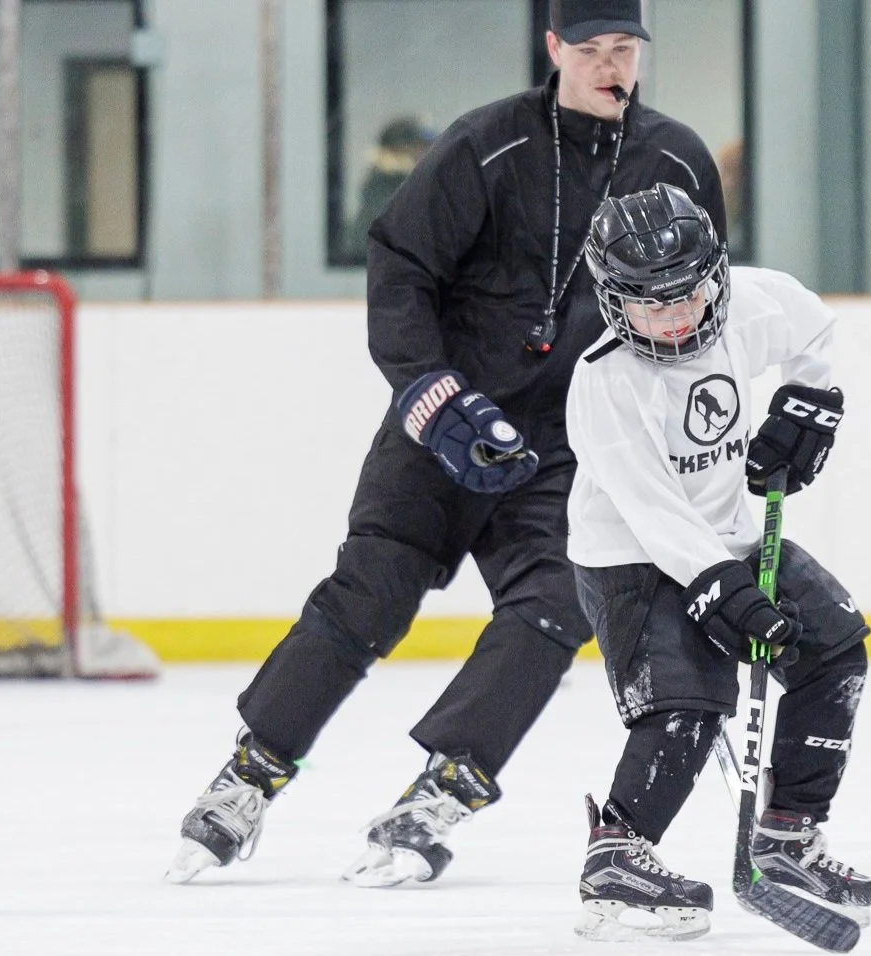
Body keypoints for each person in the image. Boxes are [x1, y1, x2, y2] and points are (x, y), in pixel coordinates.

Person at [165, 0, 727, 887]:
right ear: (554, 48)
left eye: (625, 49)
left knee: (555, 608)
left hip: (572, 447)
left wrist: (684, 431)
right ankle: (248, 775)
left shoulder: (676, 160)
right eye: (592, 49)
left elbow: (702, 305)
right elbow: (400, 266)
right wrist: (430, 395)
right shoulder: (485, 144)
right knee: (367, 597)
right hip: (446, 419)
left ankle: (444, 790)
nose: (611, 67)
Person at [564, 184, 871, 941]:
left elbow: (814, 325)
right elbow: (653, 513)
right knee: (688, 701)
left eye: (686, 294)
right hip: (632, 557)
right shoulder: (605, 381)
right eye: (648, 304)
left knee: (834, 648)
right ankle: (618, 854)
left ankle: (788, 835)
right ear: (613, 301)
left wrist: (806, 404)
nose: (674, 316)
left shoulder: (750, 310)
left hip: (728, 535)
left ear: (715, 276)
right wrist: (723, 592)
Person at [341, 117, 435, 260]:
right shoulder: (395, 189)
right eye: (420, 148)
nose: (427, 154)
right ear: (401, 150)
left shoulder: (388, 186)